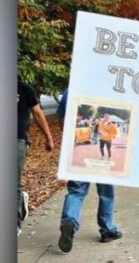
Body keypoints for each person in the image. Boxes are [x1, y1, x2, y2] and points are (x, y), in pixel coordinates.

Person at [56, 90, 122, 251]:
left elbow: (61, 120)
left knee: (76, 191)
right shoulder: (114, 90)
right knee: (106, 192)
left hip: (79, 153)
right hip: (103, 161)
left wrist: (70, 139)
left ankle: (69, 221)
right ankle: (107, 229)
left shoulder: (69, 91)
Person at [18, 78, 54, 235]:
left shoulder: (24, 89)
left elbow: (37, 113)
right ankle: (21, 201)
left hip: (17, 139)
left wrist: (49, 137)